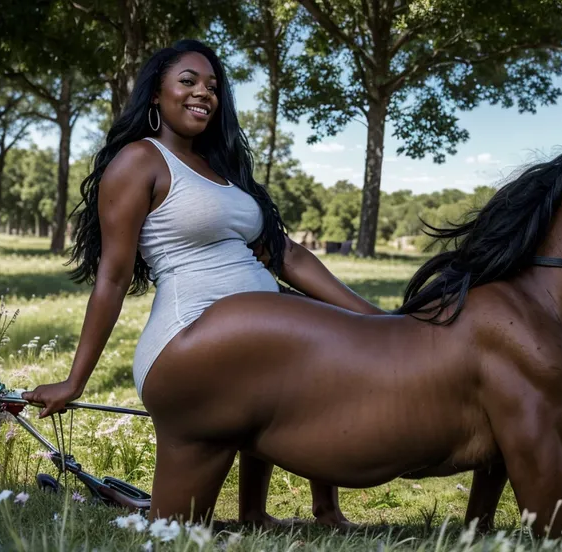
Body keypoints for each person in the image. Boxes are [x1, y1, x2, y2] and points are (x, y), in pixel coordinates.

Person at [21, 38, 383, 527]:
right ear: (156, 94)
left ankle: (285, 511)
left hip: (256, 334)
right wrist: (75, 380)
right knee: (177, 527)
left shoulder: (224, 169)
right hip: (189, 337)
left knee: (299, 324)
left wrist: (377, 321)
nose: (203, 93)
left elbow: (288, 254)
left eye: (212, 86)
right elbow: (112, 275)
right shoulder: (140, 161)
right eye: (188, 81)